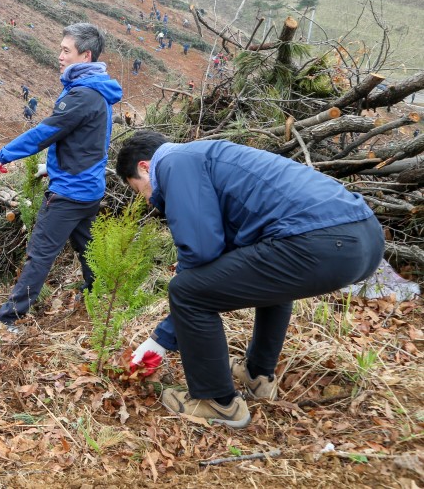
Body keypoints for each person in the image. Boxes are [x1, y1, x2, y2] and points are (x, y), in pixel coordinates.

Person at [115, 131, 383, 428]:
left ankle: (218, 403)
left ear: (144, 167)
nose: (149, 200)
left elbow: (201, 252)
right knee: (271, 278)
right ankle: (257, 376)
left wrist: (160, 341)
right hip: (365, 238)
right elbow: (232, 244)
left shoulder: (174, 163)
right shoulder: (208, 156)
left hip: (322, 241)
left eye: (140, 190)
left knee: (186, 291)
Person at [0, 23, 123, 327]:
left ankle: (8, 317)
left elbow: (45, 132)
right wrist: (51, 167)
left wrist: (4, 155)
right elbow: (88, 142)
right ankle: (103, 299)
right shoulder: (98, 92)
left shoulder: (82, 95)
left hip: (69, 193)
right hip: (89, 188)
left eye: (65, 50)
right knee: (89, 252)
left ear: (84, 56)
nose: (59, 55)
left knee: (40, 253)